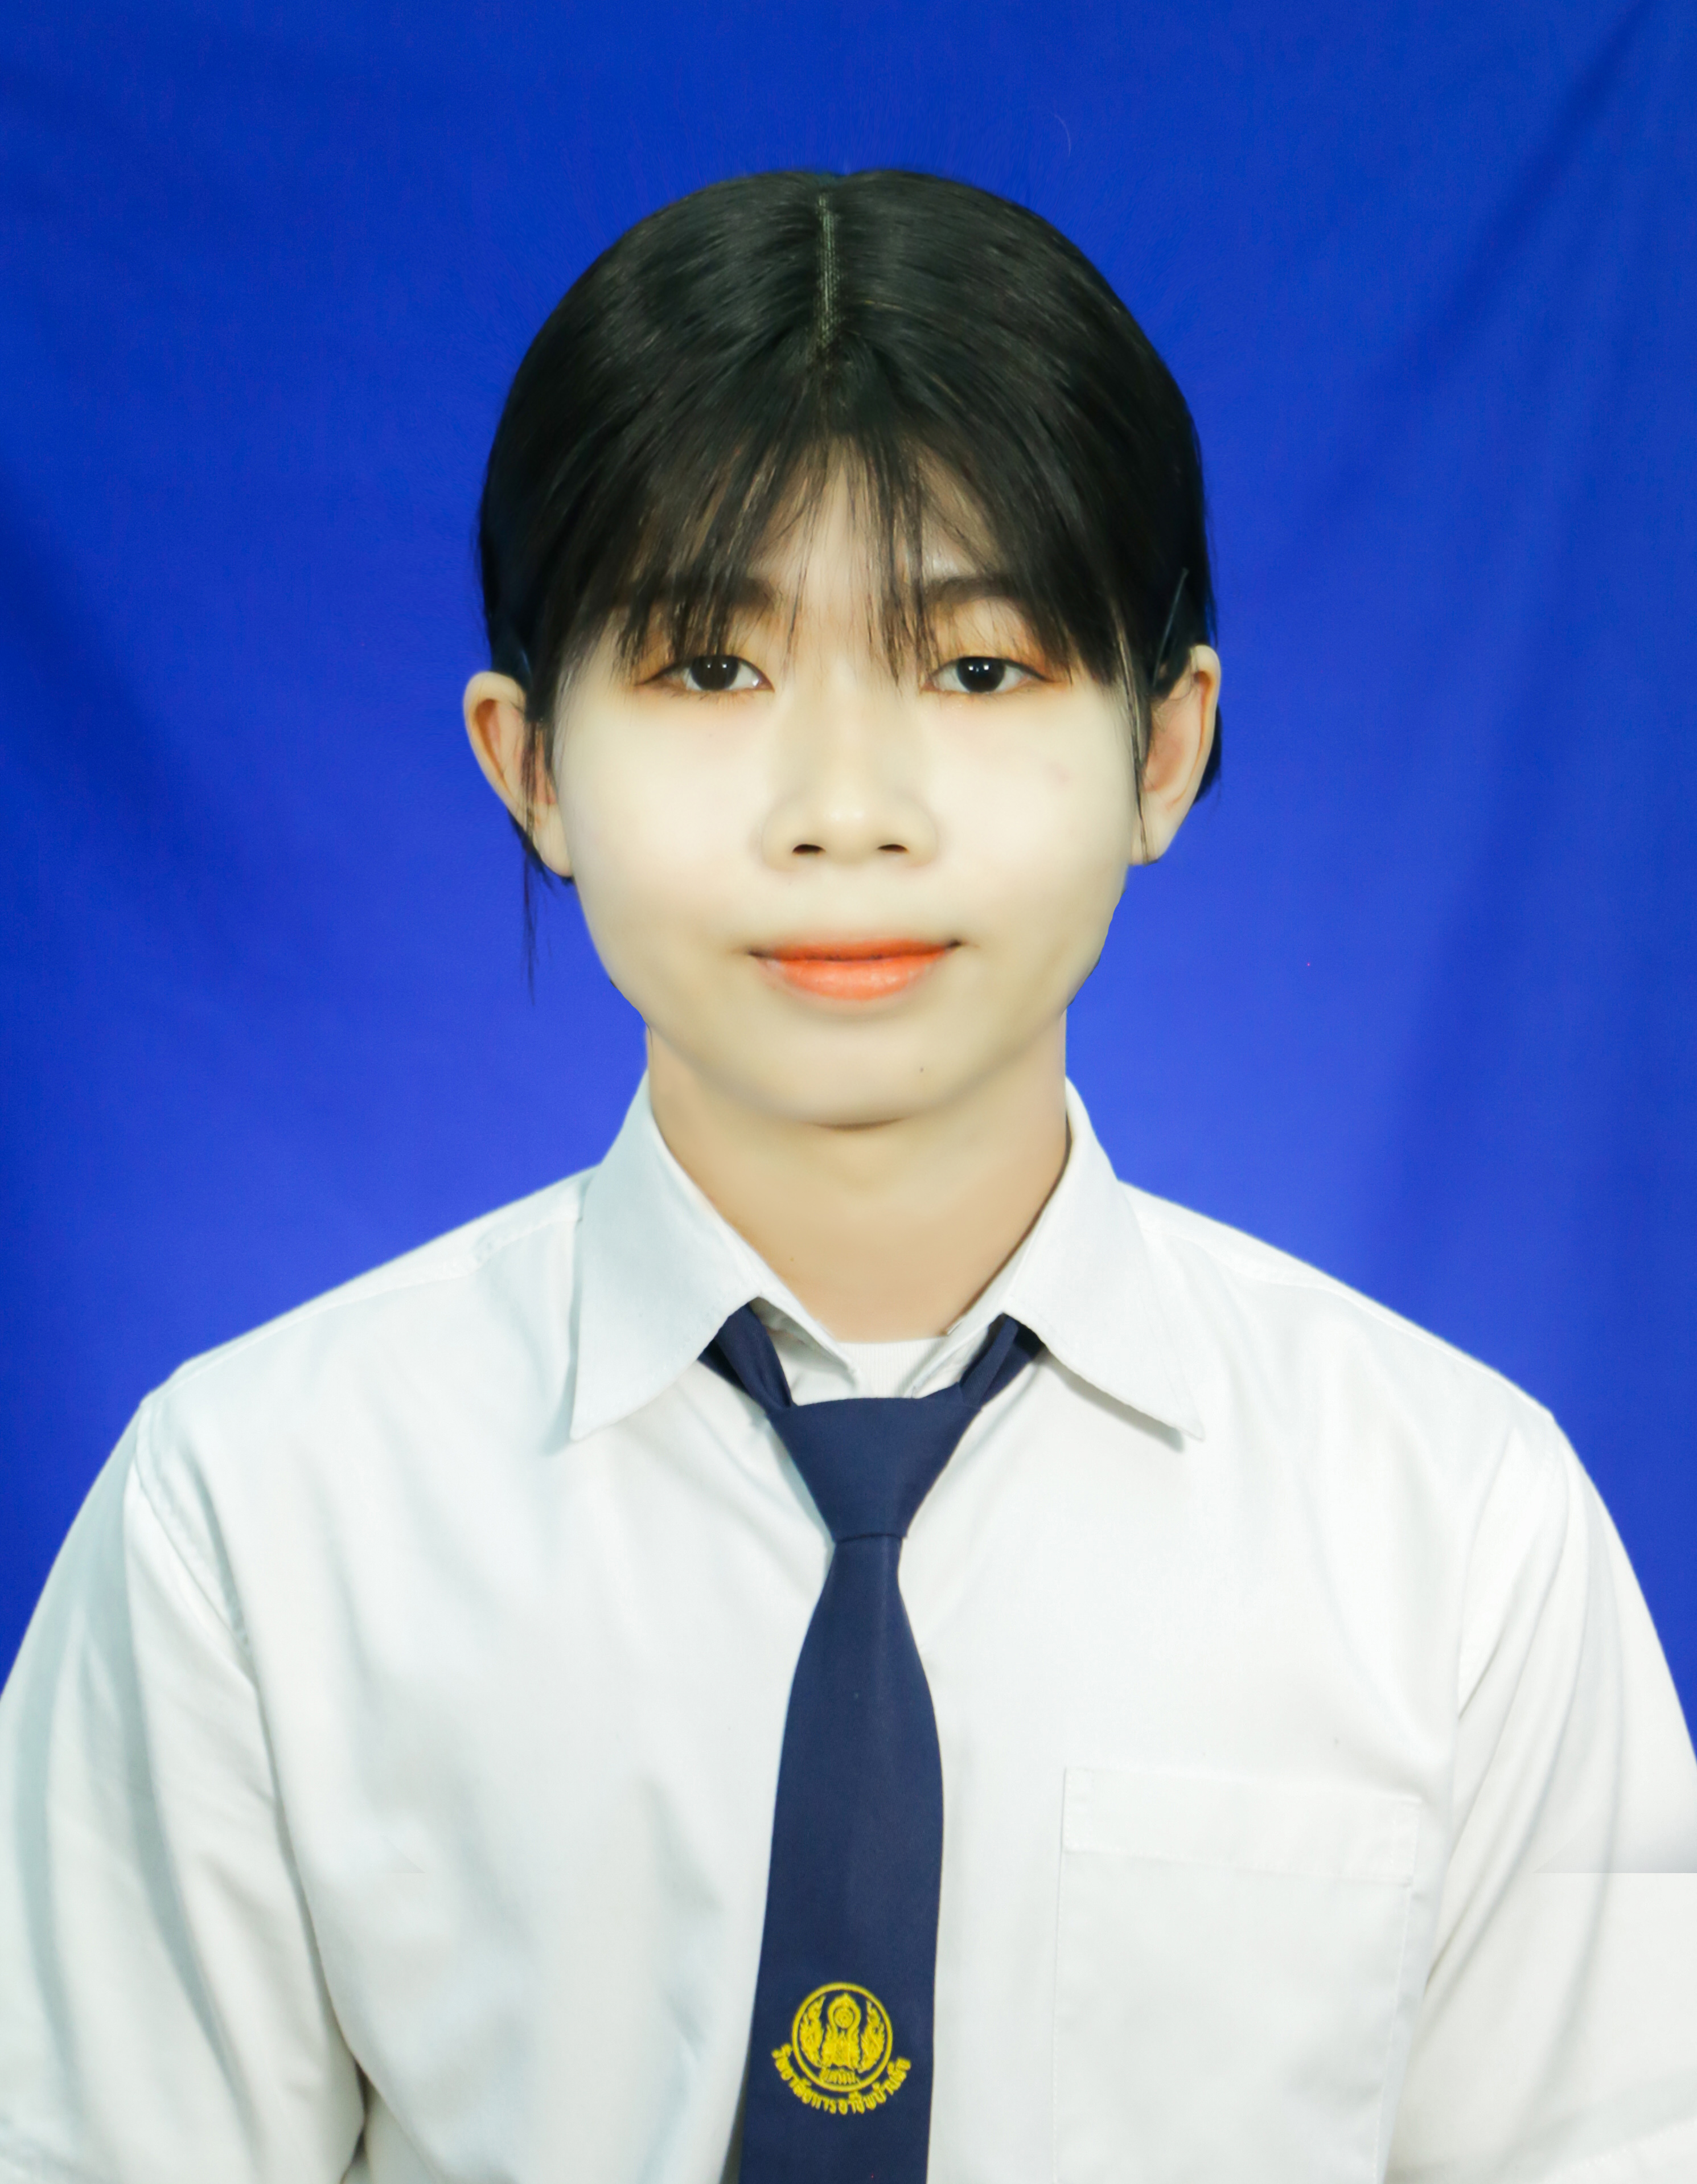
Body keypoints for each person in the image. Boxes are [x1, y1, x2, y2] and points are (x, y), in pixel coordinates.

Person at [1, 169, 1693, 2184]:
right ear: (529, 765)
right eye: (711, 669)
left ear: (1166, 749)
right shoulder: (251, 1527)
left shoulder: (1461, 1537)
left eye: (976, 669)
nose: (845, 811)